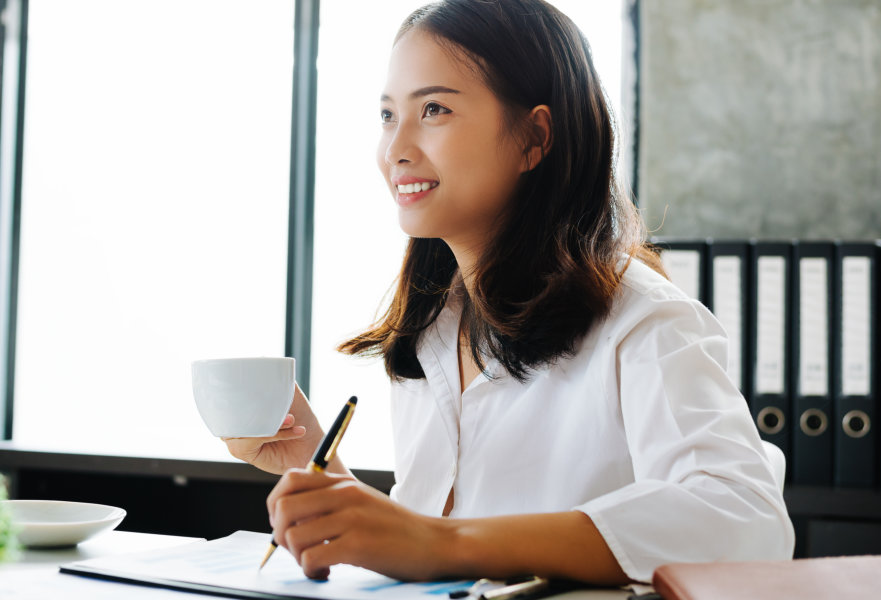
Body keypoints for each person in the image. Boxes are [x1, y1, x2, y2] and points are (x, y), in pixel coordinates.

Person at [219, 0, 793, 585]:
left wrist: (442, 541)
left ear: (534, 137)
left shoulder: (643, 321)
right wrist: (326, 474)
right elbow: (433, 553)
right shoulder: (434, 328)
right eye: (388, 115)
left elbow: (744, 521)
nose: (395, 148)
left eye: (434, 109)